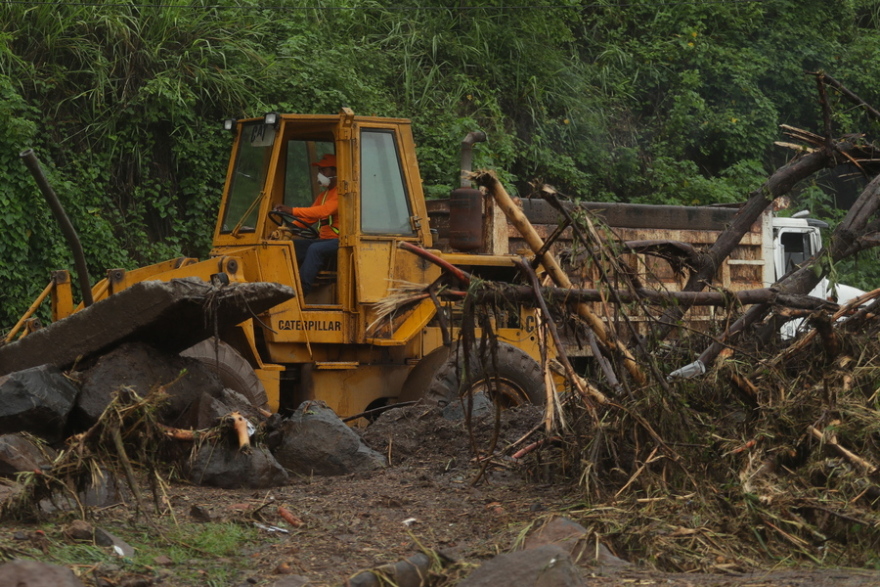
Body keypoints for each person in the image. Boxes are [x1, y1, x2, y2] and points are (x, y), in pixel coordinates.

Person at [273, 153, 339, 295]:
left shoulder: (341, 193)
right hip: (324, 240)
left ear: (336, 171)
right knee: (293, 246)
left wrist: (292, 210)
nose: (320, 174)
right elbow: (309, 219)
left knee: (315, 249)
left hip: (339, 241)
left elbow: (323, 212)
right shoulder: (323, 195)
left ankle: (302, 289)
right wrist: (289, 228)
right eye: (319, 171)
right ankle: (282, 285)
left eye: (324, 170)